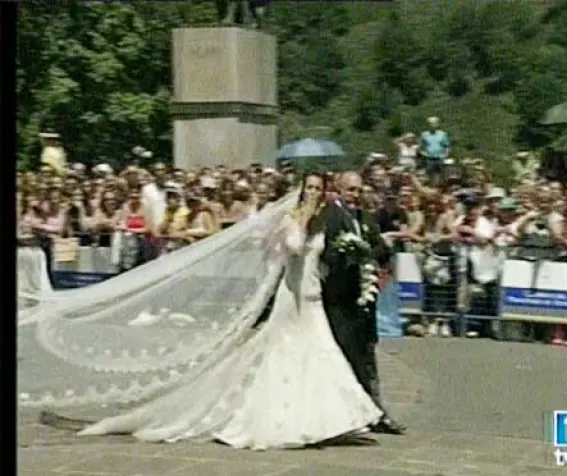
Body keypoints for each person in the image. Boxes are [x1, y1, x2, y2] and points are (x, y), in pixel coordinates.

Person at [42, 172, 383, 449]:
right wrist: (302, 218)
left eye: (318, 189)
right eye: (309, 188)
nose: (313, 193)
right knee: (286, 354)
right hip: (290, 299)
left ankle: (329, 419)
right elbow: (292, 249)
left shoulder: (324, 223)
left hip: (312, 297)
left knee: (320, 355)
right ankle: (282, 418)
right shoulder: (290, 220)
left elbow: (321, 257)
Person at [320, 171, 406, 435]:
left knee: (367, 355)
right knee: (343, 355)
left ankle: (376, 412)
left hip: (364, 300)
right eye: (350, 190)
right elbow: (326, 252)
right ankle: (347, 415)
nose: (355, 195)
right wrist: (348, 254)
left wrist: (369, 252)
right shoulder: (330, 216)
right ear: (339, 190)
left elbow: (380, 247)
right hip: (340, 298)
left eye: (358, 190)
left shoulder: (366, 218)